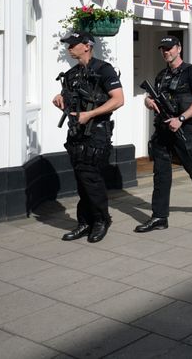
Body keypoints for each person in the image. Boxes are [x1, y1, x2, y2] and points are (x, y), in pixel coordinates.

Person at [136, 36, 192, 233]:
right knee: (161, 174)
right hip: (163, 131)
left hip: (183, 129)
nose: (166, 52)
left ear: (179, 48)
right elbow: (151, 98)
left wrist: (181, 118)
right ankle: (160, 217)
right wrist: (148, 102)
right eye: (163, 49)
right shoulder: (161, 75)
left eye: (169, 48)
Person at [53, 31, 124, 243]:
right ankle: (84, 222)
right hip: (76, 132)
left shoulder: (104, 70)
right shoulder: (72, 74)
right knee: (81, 179)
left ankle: (102, 220)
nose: (69, 48)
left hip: (97, 132)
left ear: (86, 45)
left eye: (72, 44)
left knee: (91, 177)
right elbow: (68, 101)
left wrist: (90, 114)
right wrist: (59, 99)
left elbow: (119, 99)